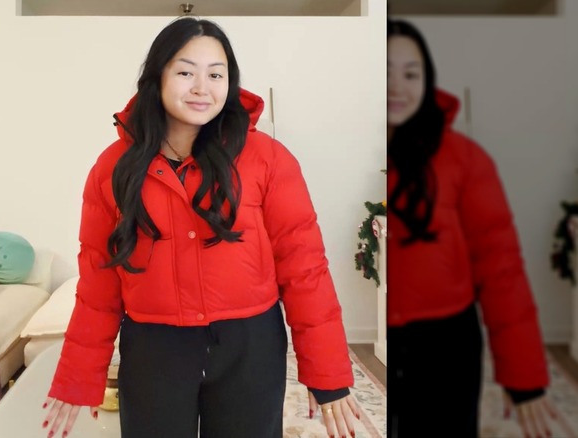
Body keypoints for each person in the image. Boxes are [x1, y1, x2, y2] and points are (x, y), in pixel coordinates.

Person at [42, 17, 360, 438]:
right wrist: (79, 376)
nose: (201, 87)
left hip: (250, 347)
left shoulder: (268, 159)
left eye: (216, 74)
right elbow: (99, 280)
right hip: (154, 350)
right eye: (186, 71)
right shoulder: (113, 168)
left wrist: (328, 373)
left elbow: (304, 268)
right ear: (157, 77)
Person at [386, 18, 557, 438]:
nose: (396, 86)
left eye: (411, 74)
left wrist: (524, 376)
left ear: (428, 81)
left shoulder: (465, 159)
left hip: (446, 345)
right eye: (385, 71)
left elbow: (501, 270)